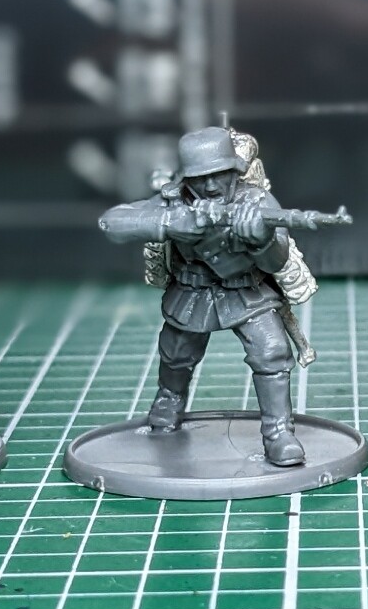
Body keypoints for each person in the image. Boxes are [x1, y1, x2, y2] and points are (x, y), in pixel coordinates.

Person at [100, 127, 306, 467]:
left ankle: (279, 433)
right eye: (200, 178)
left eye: (219, 175)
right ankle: (169, 400)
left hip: (246, 291)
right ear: (186, 178)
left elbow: (276, 260)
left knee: (272, 351)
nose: (210, 187)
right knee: (176, 354)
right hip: (192, 291)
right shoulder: (174, 200)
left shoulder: (256, 201)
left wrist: (261, 241)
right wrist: (169, 223)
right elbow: (111, 222)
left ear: (235, 172)